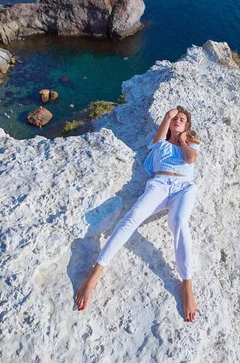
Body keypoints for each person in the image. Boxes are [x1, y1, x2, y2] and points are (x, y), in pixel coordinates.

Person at [75, 106, 201, 322]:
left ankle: (187, 284)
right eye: (175, 119)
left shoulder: (190, 146)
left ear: (187, 126)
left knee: (179, 221)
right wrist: (169, 116)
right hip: (160, 184)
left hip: (184, 188)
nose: (177, 121)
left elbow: (190, 160)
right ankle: (95, 274)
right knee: (131, 219)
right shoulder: (160, 143)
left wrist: (182, 139)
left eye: (182, 119)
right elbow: (164, 125)